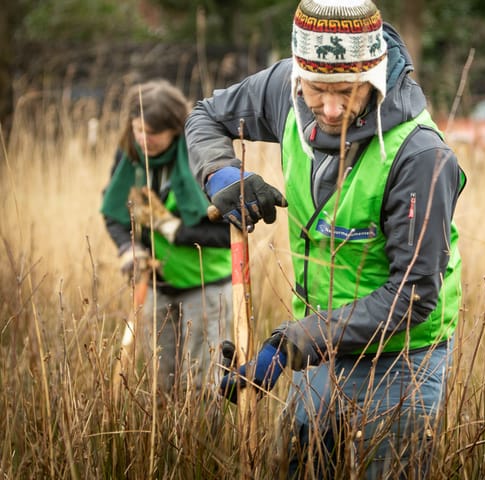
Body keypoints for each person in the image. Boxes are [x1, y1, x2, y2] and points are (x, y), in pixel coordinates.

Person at [185, 0, 465, 477]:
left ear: (374, 77)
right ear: (299, 74)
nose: (331, 108)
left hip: (401, 363)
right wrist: (222, 177)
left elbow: (414, 293)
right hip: (318, 354)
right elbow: (207, 116)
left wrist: (292, 345)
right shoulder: (283, 89)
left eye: (348, 91)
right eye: (316, 89)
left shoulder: (420, 156)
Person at [101, 79, 232, 400]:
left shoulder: (202, 159)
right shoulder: (130, 157)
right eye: (138, 130)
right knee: (164, 384)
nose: (144, 140)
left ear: (175, 129)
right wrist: (128, 249)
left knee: (202, 386)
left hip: (207, 288)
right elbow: (114, 210)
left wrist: (171, 228)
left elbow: (229, 234)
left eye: (153, 133)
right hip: (157, 287)